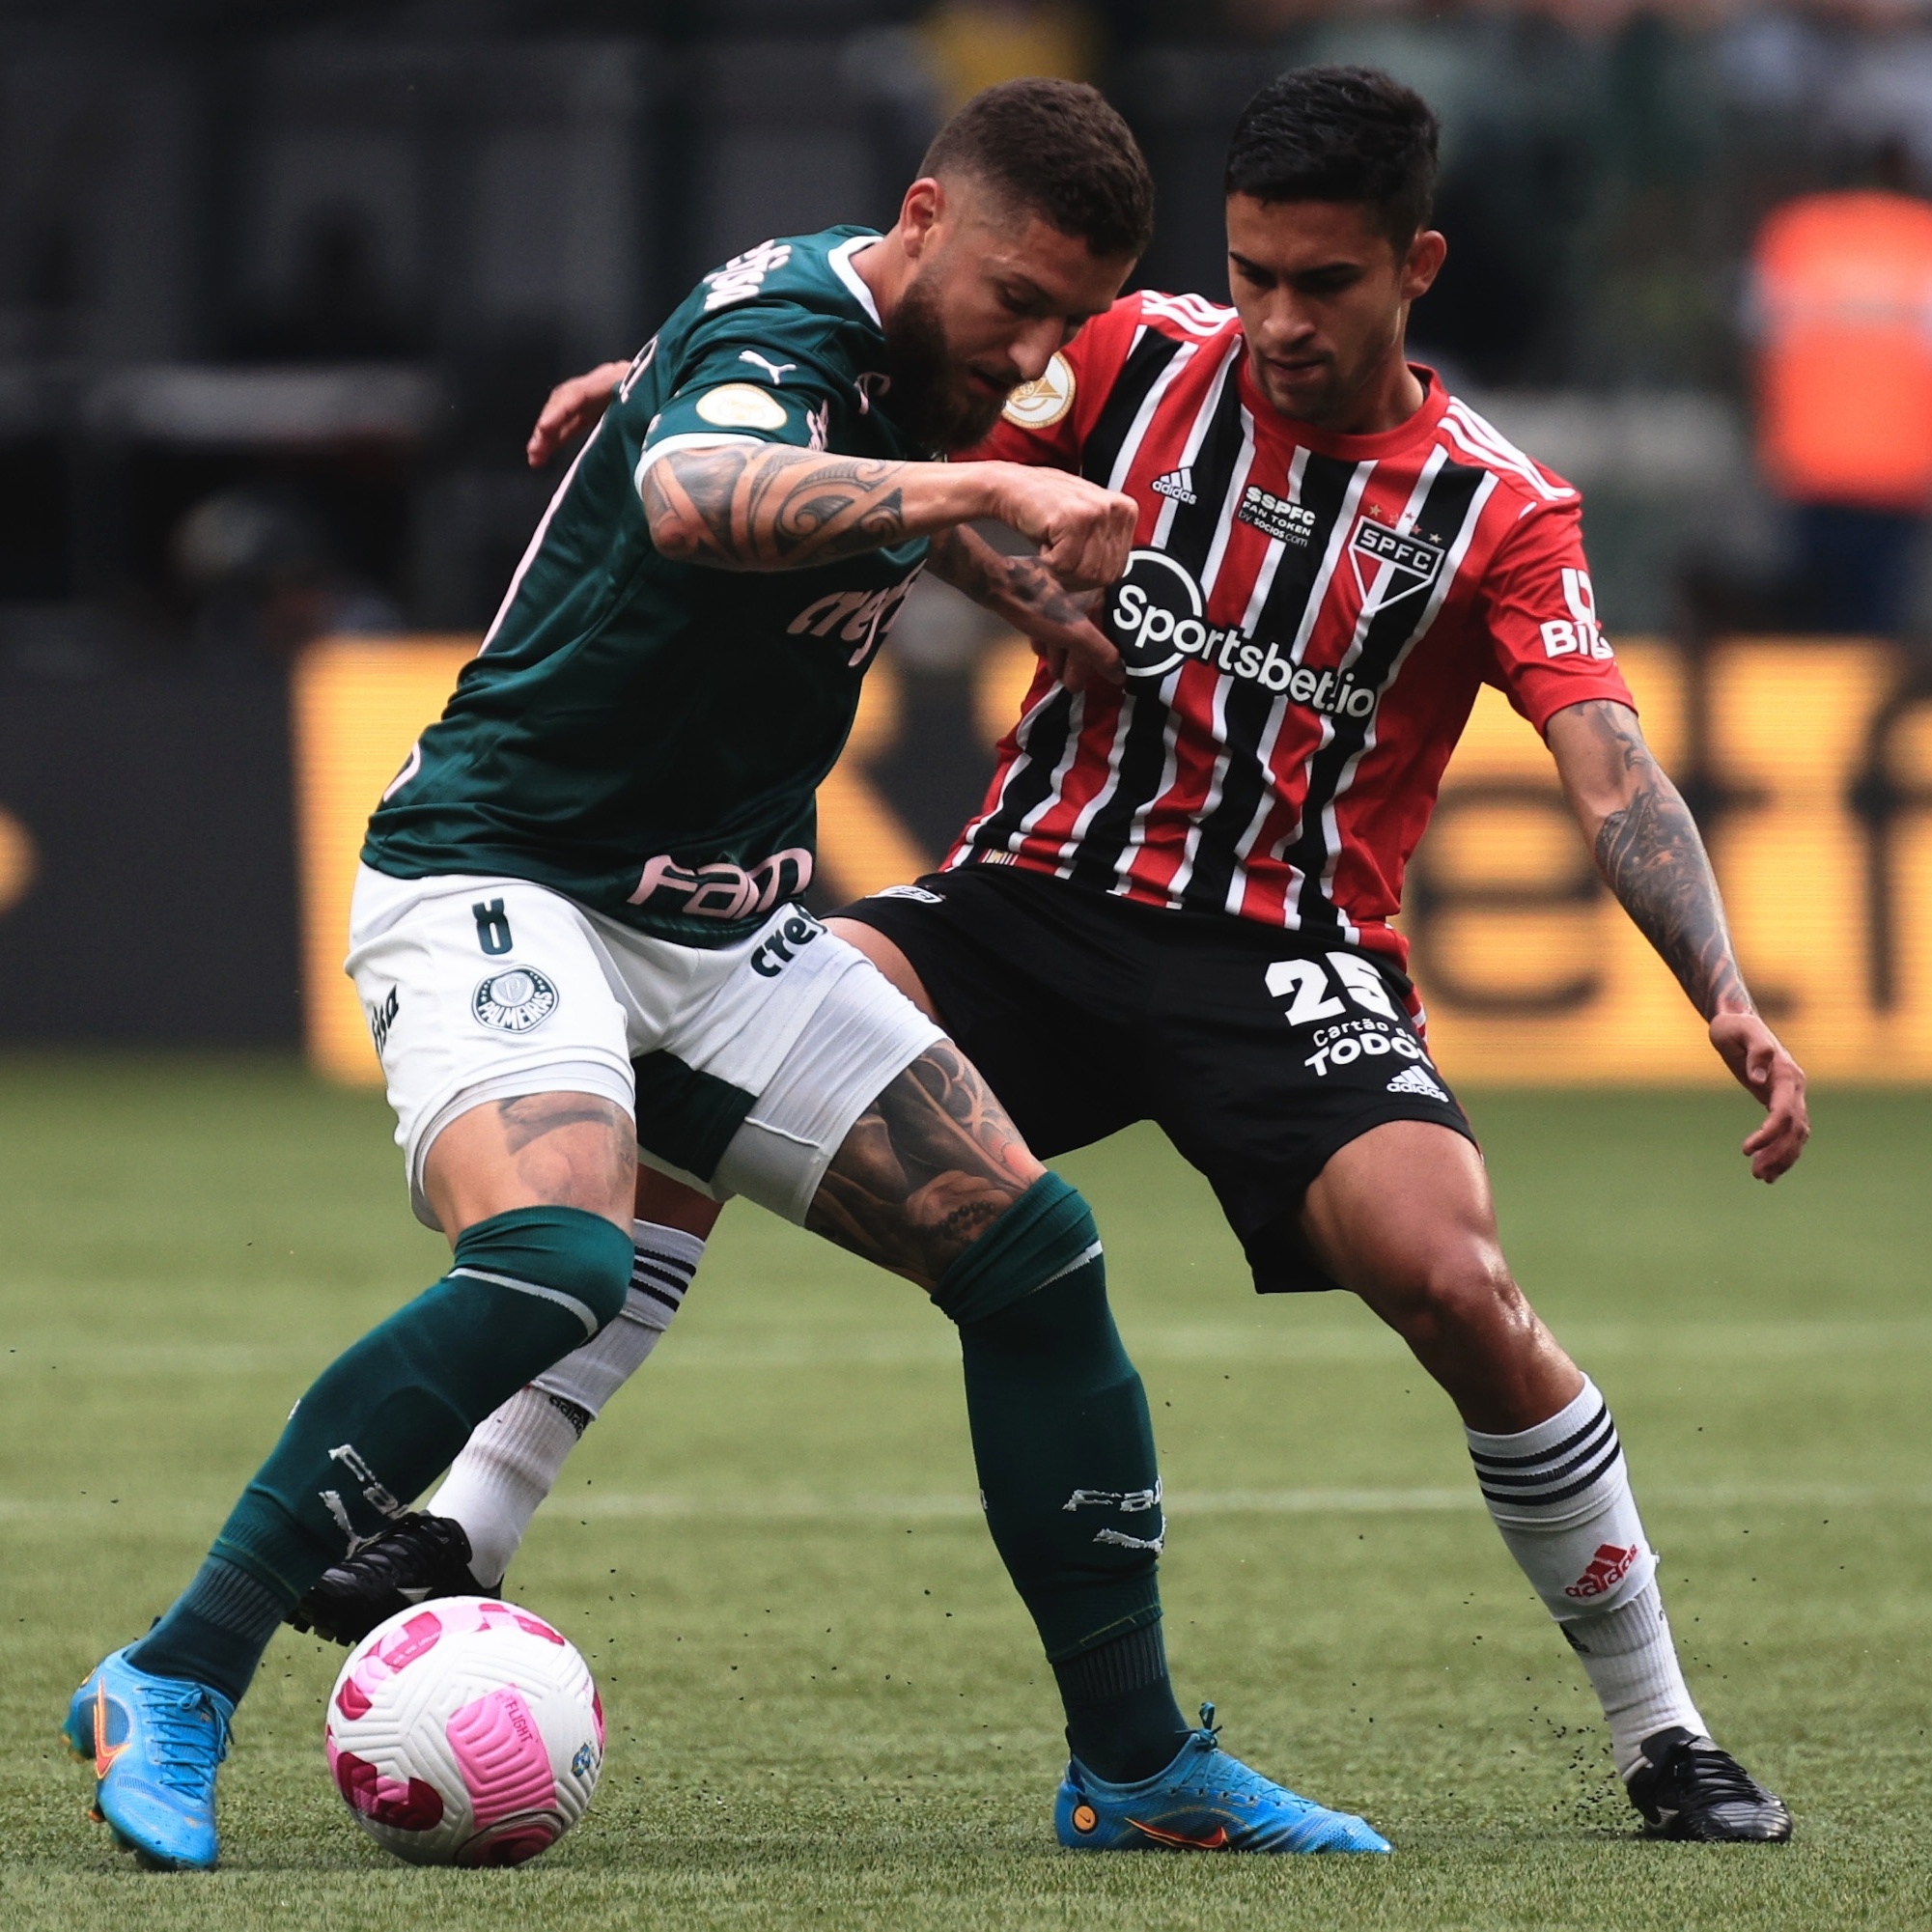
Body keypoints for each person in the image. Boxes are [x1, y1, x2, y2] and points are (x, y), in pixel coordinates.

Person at [303, 66, 1808, 1846]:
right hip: (1026, 903)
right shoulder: (1134, 357)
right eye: (1251, 271)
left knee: (1458, 1282)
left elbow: (1607, 760)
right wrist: (660, 401)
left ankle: (1664, 1730)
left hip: (1284, 958)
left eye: (1321, 284)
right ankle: (467, 1520)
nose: (1274, 320)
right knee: (684, 1084)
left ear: (1417, 265)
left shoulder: (1496, 509)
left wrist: (1715, 977)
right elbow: (886, 377)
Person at [64, 80, 1391, 1872]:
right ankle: (176, 1671)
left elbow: (784, 456)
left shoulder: (917, 362)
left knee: (1035, 1263)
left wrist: (1005, 572)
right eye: (1012, 298)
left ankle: (1138, 1767)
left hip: (720, 924)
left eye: (1065, 319)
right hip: (502, 871)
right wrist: (968, 480)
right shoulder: (798, 321)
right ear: (918, 218)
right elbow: (700, 498)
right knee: (554, 1261)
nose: (1032, 351)